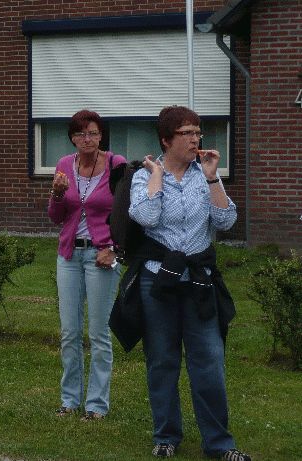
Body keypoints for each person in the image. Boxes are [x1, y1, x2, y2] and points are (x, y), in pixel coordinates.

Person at [122, 105, 250, 460]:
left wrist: (211, 178)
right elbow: (145, 216)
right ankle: (166, 436)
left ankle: (219, 444)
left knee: (209, 361)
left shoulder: (205, 174)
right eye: (187, 133)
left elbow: (226, 221)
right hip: (157, 281)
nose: (195, 139)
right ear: (166, 140)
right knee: (162, 361)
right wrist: (157, 176)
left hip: (198, 281)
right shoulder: (144, 176)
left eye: (197, 132)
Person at [48, 109, 126, 420]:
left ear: (101, 135)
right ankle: (69, 400)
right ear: (72, 138)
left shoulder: (117, 165)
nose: (88, 139)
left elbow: (128, 213)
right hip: (69, 255)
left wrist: (114, 249)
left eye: (93, 133)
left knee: (98, 333)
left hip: (101, 257)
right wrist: (56, 195)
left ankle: (96, 405)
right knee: (69, 332)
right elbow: (56, 217)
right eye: (81, 134)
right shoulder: (64, 165)